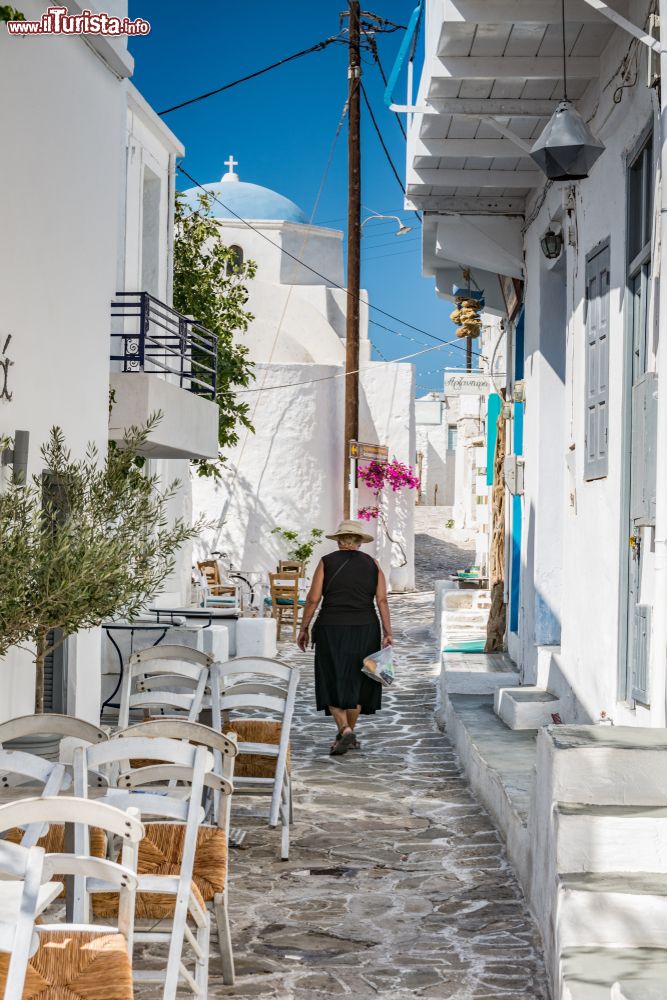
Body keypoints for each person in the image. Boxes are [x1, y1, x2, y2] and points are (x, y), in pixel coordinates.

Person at [297, 519, 393, 756]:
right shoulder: (373, 564)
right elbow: (381, 600)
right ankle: (347, 733)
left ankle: (344, 728)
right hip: (367, 628)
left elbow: (313, 599)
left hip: (332, 628)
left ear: (339, 541)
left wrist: (304, 627)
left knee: (331, 677)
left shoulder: (327, 562)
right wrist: (388, 632)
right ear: (359, 542)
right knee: (358, 681)